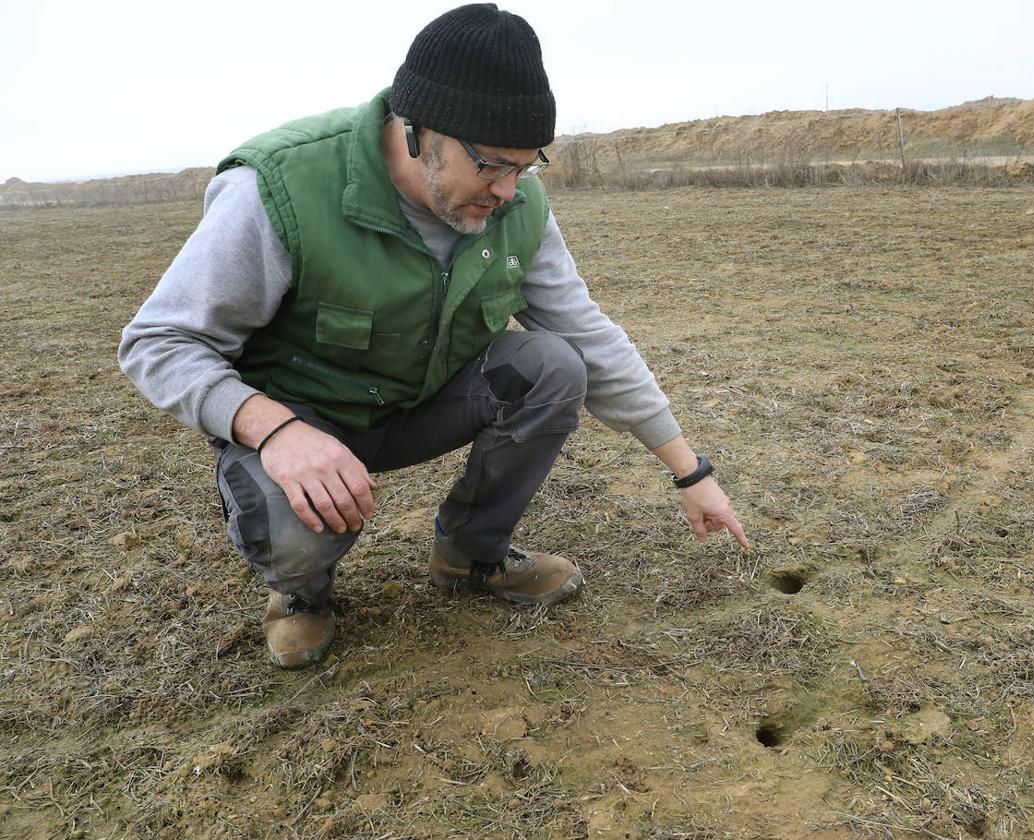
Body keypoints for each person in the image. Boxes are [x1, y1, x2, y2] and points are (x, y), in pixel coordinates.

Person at [119, 3, 749, 670]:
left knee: (554, 365)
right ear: (422, 133)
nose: (508, 190)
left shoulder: (512, 203)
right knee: (294, 534)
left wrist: (689, 471)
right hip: (302, 424)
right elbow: (158, 342)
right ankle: (300, 593)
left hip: (418, 407)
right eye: (491, 166)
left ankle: (469, 555)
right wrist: (274, 430)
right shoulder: (282, 186)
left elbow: (586, 332)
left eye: (525, 168)